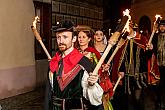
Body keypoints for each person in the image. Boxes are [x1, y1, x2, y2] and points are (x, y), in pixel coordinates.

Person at [47, 20, 104, 110]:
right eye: (58, 37)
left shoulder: (84, 62)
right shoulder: (54, 62)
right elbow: (49, 95)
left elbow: (94, 100)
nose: (60, 41)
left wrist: (91, 86)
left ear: (74, 39)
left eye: (65, 37)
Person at [76, 26, 113, 110]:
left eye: (83, 37)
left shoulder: (93, 52)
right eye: (79, 37)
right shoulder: (75, 52)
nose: (81, 39)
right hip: (78, 87)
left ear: (89, 39)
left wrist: (104, 68)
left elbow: (101, 68)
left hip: (92, 86)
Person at [149, 19, 165, 110]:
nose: (162, 27)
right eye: (161, 26)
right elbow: (152, 48)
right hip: (158, 64)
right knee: (159, 84)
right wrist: (150, 47)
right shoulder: (155, 36)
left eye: (163, 26)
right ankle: (159, 101)